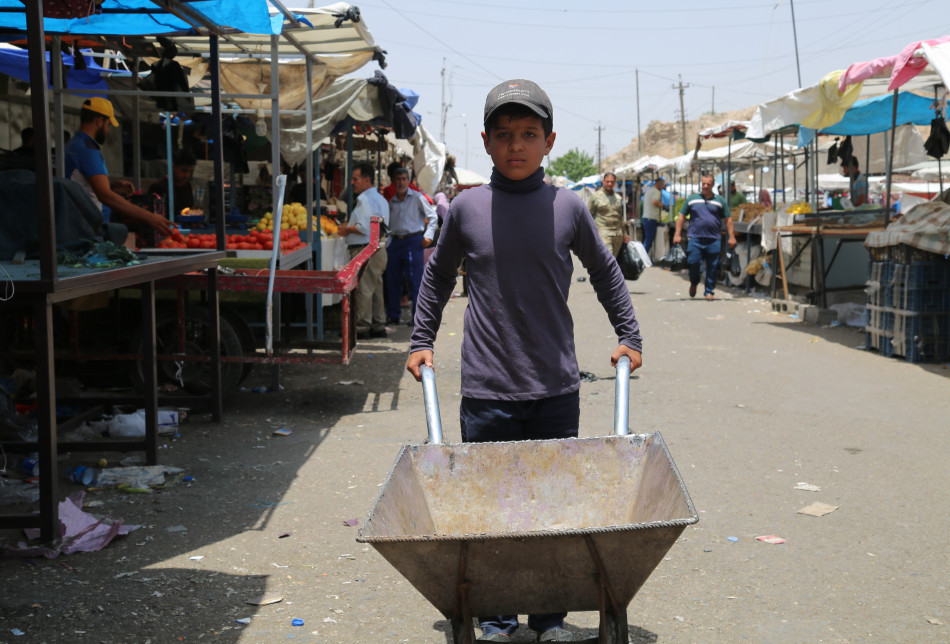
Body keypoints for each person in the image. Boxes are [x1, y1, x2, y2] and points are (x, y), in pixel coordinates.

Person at [406, 79, 643, 644]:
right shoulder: (466, 209)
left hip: (555, 386)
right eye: (505, 135)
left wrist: (629, 335)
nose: (517, 145)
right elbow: (437, 280)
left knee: (553, 509)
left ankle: (549, 618)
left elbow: (607, 272)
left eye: (529, 134)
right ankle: (494, 619)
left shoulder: (567, 207)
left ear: (550, 141)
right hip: (487, 389)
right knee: (490, 511)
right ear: (486, 142)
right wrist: (421, 340)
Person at [64, 97, 172, 236]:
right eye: (108, 125)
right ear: (99, 121)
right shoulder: (87, 150)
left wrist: (112, 186)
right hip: (87, 228)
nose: (108, 130)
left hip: (80, 223)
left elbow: (82, 184)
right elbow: (105, 196)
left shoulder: (75, 144)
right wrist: (150, 218)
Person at [335, 161, 389, 339]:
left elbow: (364, 227)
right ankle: (378, 324)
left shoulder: (365, 199)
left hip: (366, 249)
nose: (353, 182)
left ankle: (362, 327)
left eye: (355, 179)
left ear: (367, 180)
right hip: (378, 249)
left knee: (365, 288)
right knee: (376, 288)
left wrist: (346, 229)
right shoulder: (380, 199)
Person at [385, 167, 439, 325]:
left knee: (415, 281)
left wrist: (428, 236)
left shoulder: (417, 198)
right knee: (393, 281)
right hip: (395, 242)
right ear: (393, 181)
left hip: (413, 241)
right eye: (398, 179)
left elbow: (433, 217)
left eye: (403, 179)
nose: (401, 182)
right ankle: (393, 315)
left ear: (408, 181)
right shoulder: (391, 201)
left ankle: (417, 316)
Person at [673, 174, 737, 301]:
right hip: (695, 238)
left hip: (713, 239)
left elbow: (728, 219)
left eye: (708, 184)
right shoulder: (692, 199)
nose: (705, 186)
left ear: (713, 185)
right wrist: (677, 234)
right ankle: (694, 282)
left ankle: (709, 291)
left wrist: (732, 237)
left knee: (712, 267)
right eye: (703, 184)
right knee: (693, 262)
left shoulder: (720, 201)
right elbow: (681, 216)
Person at [587, 171, 627, 255]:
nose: (609, 184)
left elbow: (620, 217)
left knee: (613, 260)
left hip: (617, 234)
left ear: (615, 183)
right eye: (607, 181)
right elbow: (588, 216)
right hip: (603, 232)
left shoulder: (618, 198)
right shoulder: (596, 197)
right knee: (608, 258)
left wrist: (625, 234)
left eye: (612, 182)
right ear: (603, 182)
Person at [148, 148, 196, 216]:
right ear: (173, 166)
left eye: (190, 171)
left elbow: (190, 210)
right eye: (184, 170)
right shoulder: (159, 186)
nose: (187, 175)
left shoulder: (187, 186)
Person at [641, 176, 666, 255]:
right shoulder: (656, 192)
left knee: (646, 239)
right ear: (659, 185)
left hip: (646, 218)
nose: (663, 187)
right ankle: (643, 259)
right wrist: (661, 204)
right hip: (651, 218)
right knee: (648, 240)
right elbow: (654, 202)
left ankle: (643, 257)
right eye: (662, 185)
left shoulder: (649, 190)